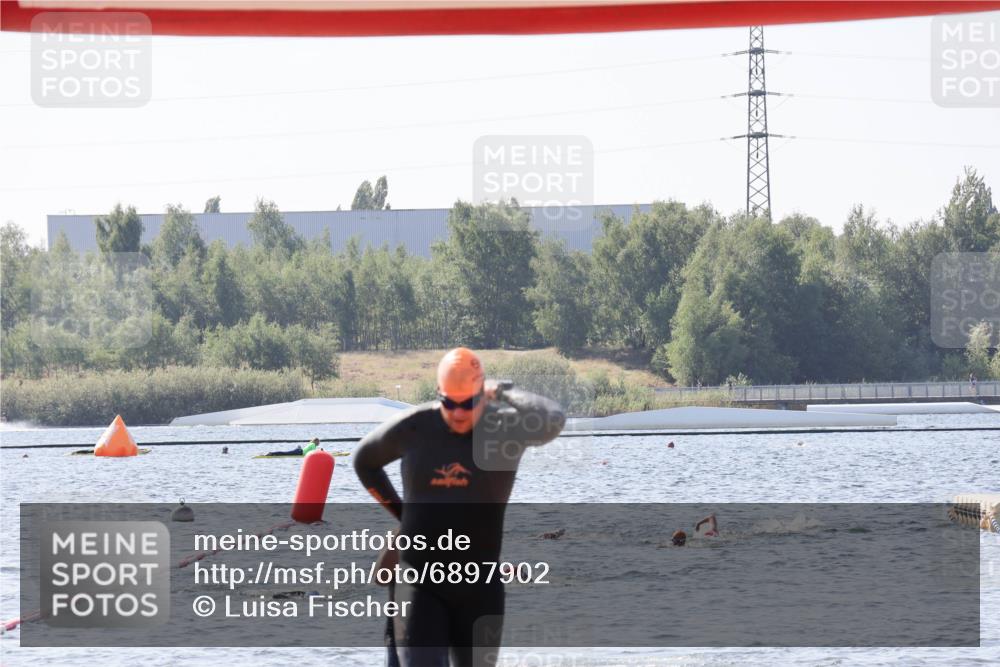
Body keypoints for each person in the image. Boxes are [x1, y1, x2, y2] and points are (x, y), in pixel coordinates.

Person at [354, 347, 566, 667]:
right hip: (420, 583)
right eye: (449, 403)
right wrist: (403, 515)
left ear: (482, 394)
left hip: (480, 588)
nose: (457, 413)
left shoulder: (503, 428)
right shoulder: (415, 427)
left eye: (467, 403)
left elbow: (553, 419)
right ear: (438, 394)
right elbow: (364, 462)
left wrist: (503, 391)